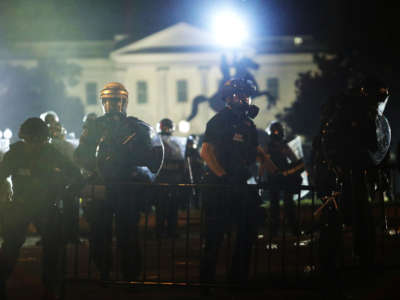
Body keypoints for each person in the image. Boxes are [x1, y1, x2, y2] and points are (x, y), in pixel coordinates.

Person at [74, 82, 163, 281]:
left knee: (128, 233)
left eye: (118, 101)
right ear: (103, 102)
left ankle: (130, 274)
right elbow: (80, 155)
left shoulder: (136, 127)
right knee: (100, 233)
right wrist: (97, 166)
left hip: (127, 186)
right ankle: (104, 271)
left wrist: (130, 155)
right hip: (102, 185)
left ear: (125, 102)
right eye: (110, 101)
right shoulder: (94, 127)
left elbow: (148, 156)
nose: (114, 105)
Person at [313, 76, 391, 295]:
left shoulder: (369, 116)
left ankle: (364, 267)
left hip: (356, 176)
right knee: (333, 223)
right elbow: (329, 144)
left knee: (363, 222)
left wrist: (379, 168)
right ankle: (329, 273)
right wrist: (337, 171)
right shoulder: (346, 113)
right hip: (338, 176)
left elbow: (375, 145)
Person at [199, 78, 271, 290]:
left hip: (240, 184)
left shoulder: (248, 124)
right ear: (231, 97)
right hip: (219, 187)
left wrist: (279, 172)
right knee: (214, 237)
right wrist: (222, 177)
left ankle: (238, 279)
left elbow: (257, 153)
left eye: (249, 95)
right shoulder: (218, 121)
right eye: (243, 95)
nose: (247, 99)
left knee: (247, 233)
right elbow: (206, 152)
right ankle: (206, 283)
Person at [0, 118, 83, 300]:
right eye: (32, 140)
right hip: (23, 205)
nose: (35, 144)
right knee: (12, 246)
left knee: (52, 247)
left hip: (44, 206)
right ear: (25, 138)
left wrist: (66, 190)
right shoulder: (16, 154)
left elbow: (75, 174)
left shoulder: (50, 153)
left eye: (39, 140)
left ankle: (51, 287)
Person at [263, 121, 303, 236]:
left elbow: (295, 160)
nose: (277, 133)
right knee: (275, 206)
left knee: (287, 205)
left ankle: (291, 230)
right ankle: (274, 231)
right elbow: (264, 161)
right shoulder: (270, 146)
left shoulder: (283, 145)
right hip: (275, 177)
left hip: (284, 177)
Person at [154, 118, 185, 238]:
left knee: (169, 208)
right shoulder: (158, 141)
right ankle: (163, 231)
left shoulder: (172, 142)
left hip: (168, 180)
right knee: (165, 208)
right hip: (167, 180)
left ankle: (166, 231)